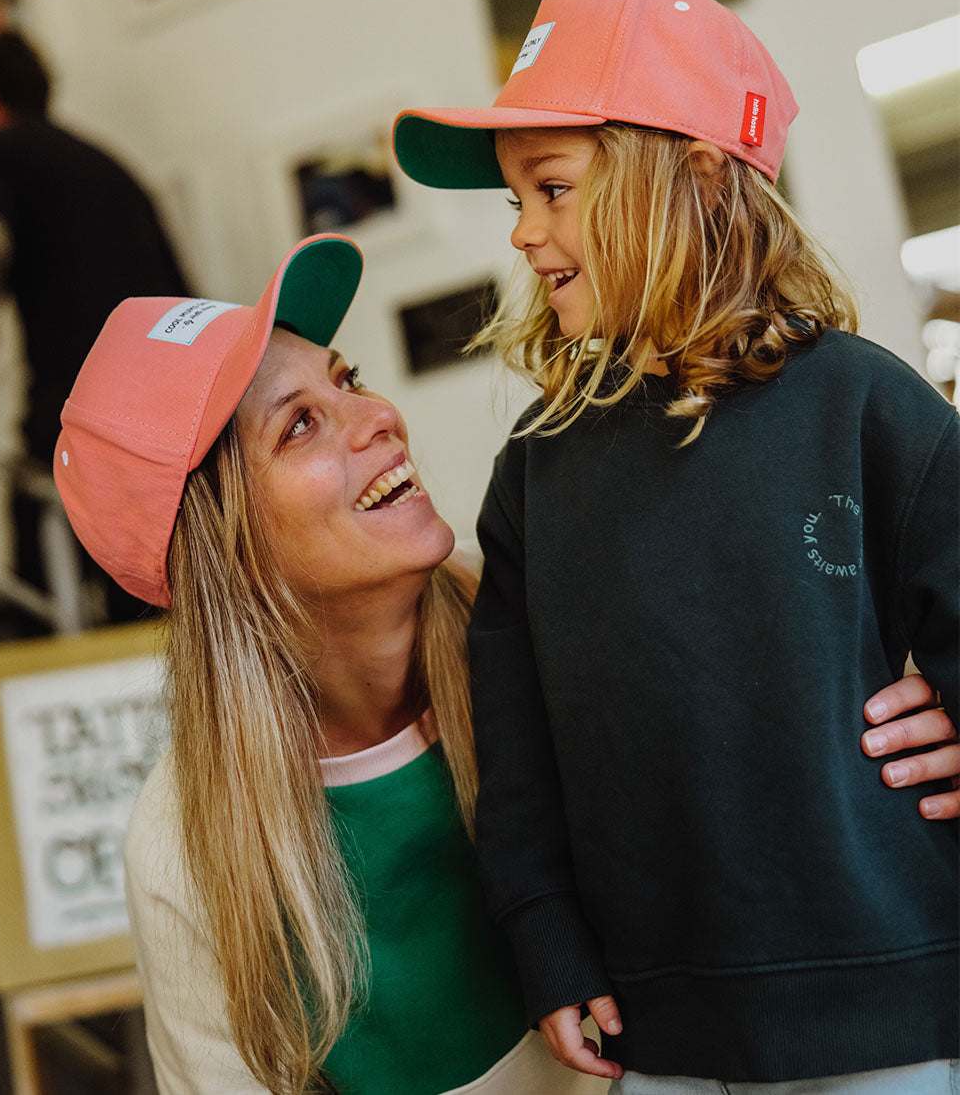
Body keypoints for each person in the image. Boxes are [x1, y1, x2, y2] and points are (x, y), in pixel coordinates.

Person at [54, 233, 948, 1095]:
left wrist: (925, 730)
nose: (378, 418)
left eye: (348, 379)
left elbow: (787, 704)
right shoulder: (183, 841)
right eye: (300, 427)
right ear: (228, 553)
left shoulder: (566, 633)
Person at [392, 0, 959, 1092]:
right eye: (518, 198)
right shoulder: (534, 474)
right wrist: (545, 944)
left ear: (697, 183)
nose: (523, 232)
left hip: (890, 1005)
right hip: (653, 1026)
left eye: (550, 188)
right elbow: (518, 766)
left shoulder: (865, 405)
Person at [0, 30, 191, 612]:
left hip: (76, 402)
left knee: (42, 583)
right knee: (148, 595)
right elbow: (180, 292)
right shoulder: (109, 167)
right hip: (161, 412)